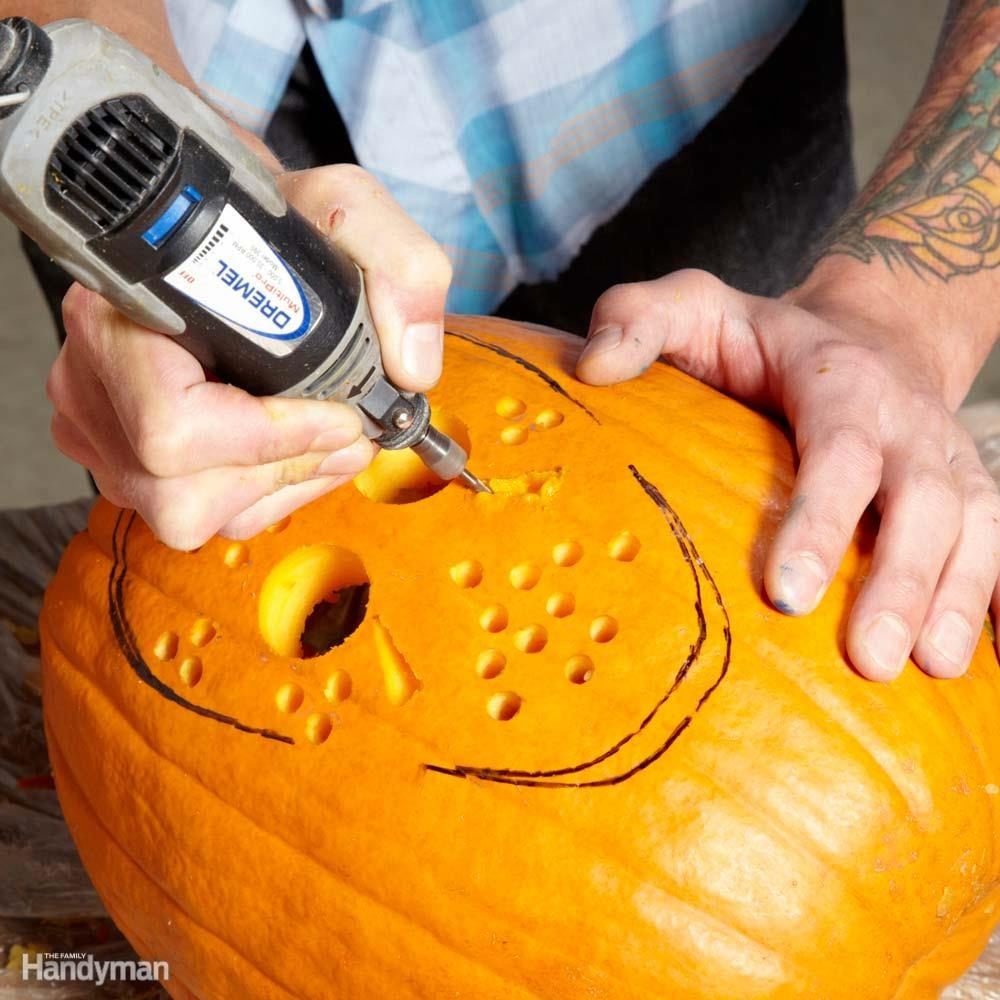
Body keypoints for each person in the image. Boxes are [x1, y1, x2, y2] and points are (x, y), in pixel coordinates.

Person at [10, 0, 1000, 684]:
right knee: (196, 510)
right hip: (188, 82)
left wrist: (897, 313)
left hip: (664, 82)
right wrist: (76, 59)